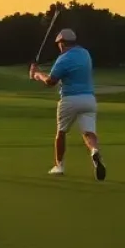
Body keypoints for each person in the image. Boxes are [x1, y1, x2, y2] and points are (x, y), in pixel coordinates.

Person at [29, 28, 106, 180]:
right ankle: (94, 151)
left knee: (61, 132)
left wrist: (36, 74)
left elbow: (51, 81)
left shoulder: (63, 59)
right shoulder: (85, 54)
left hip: (70, 99)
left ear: (62, 44)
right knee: (89, 132)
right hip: (89, 99)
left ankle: (59, 166)